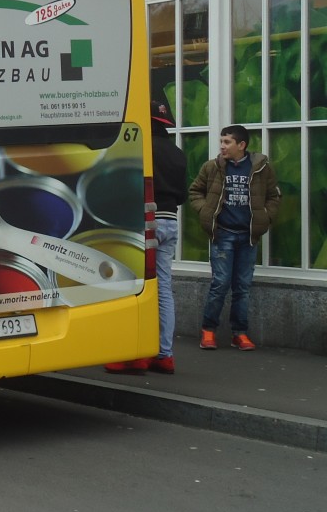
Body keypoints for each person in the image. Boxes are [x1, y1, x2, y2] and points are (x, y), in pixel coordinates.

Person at [105, 99, 188, 375]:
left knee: (132, 287)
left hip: (143, 221)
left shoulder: (140, 147)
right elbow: (182, 196)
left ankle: (135, 355)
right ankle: (164, 355)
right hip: (170, 221)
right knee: (163, 290)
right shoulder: (177, 153)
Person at [188, 124, 281, 350]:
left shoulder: (260, 168)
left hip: (248, 237)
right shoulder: (212, 167)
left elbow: (274, 195)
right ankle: (208, 330)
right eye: (221, 141)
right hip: (223, 234)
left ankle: (239, 333)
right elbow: (194, 191)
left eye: (227, 142)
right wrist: (205, 211)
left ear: (241, 145)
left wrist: (266, 216)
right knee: (220, 284)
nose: (222, 146)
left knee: (242, 287)